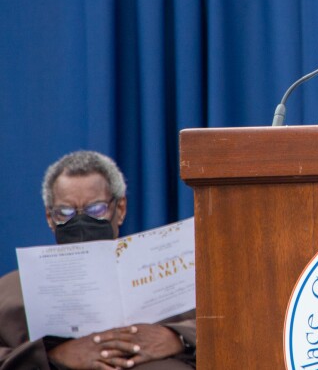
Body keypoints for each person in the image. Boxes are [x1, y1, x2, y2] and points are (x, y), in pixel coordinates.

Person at [0, 151, 196, 370]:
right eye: (65, 212)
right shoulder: (10, 293)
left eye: (95, 209)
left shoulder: (174, 276)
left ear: (119, 209)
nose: (81, 221)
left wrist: (176, 338)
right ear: (49, 218)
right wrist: (54, 355)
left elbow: (227, 328)